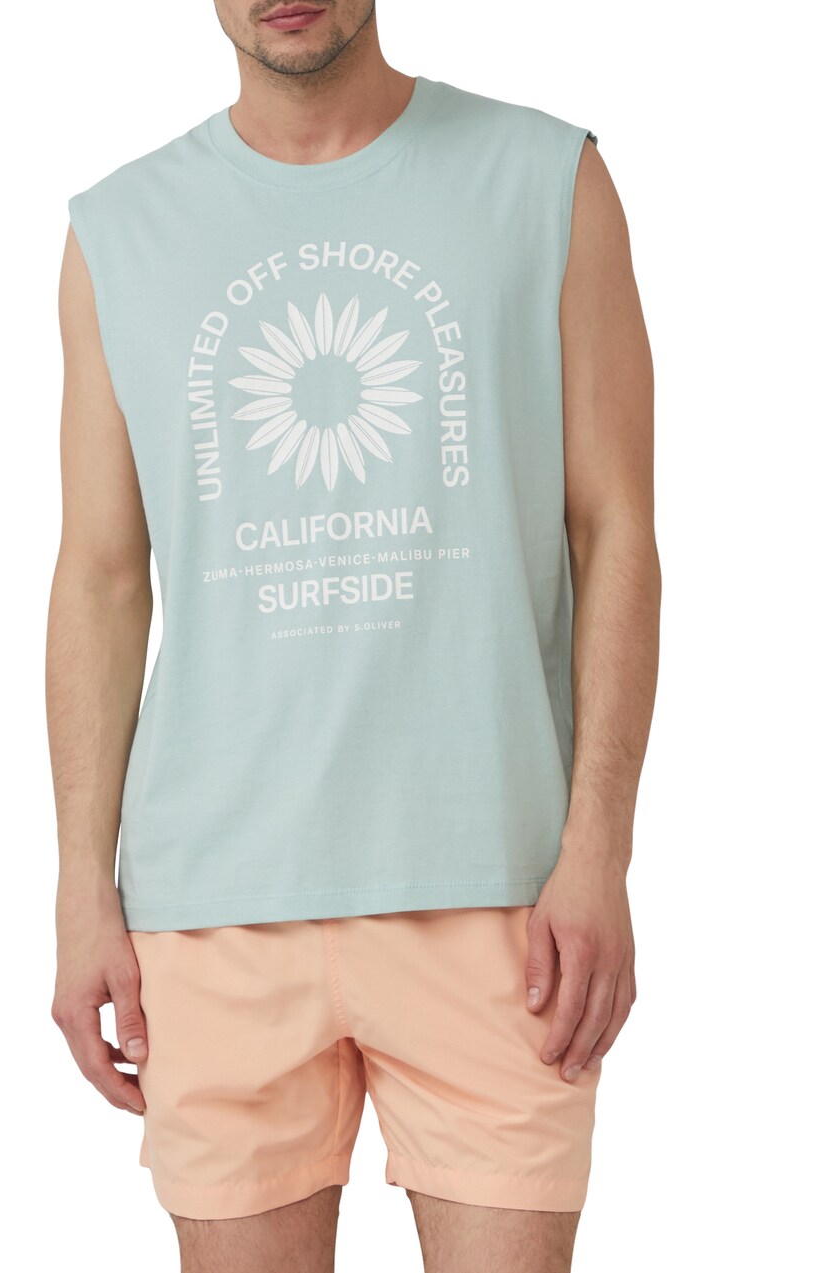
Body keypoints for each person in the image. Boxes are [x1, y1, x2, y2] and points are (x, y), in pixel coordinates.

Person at [47, 2, 659, 1269]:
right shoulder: (119, 230)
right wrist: (78, 888)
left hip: (500, 905)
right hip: (210, 909)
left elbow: (615, 529)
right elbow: (102, 577)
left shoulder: (546, 180)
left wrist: (599, 848)